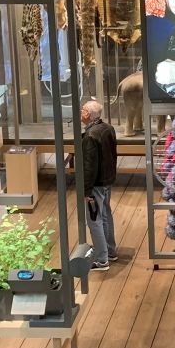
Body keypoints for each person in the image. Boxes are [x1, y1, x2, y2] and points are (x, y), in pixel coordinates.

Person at [78, 100, 119, 270]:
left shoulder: (90, 136)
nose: (81, 113)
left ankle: (102, 260)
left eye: (82, 110)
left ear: (87, 114)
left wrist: (85, 190)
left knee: (94, 219)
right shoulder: (108, 128)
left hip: (95, 185)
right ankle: (110, 251)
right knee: (105, 215)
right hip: (107, 181)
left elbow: (89, 166)